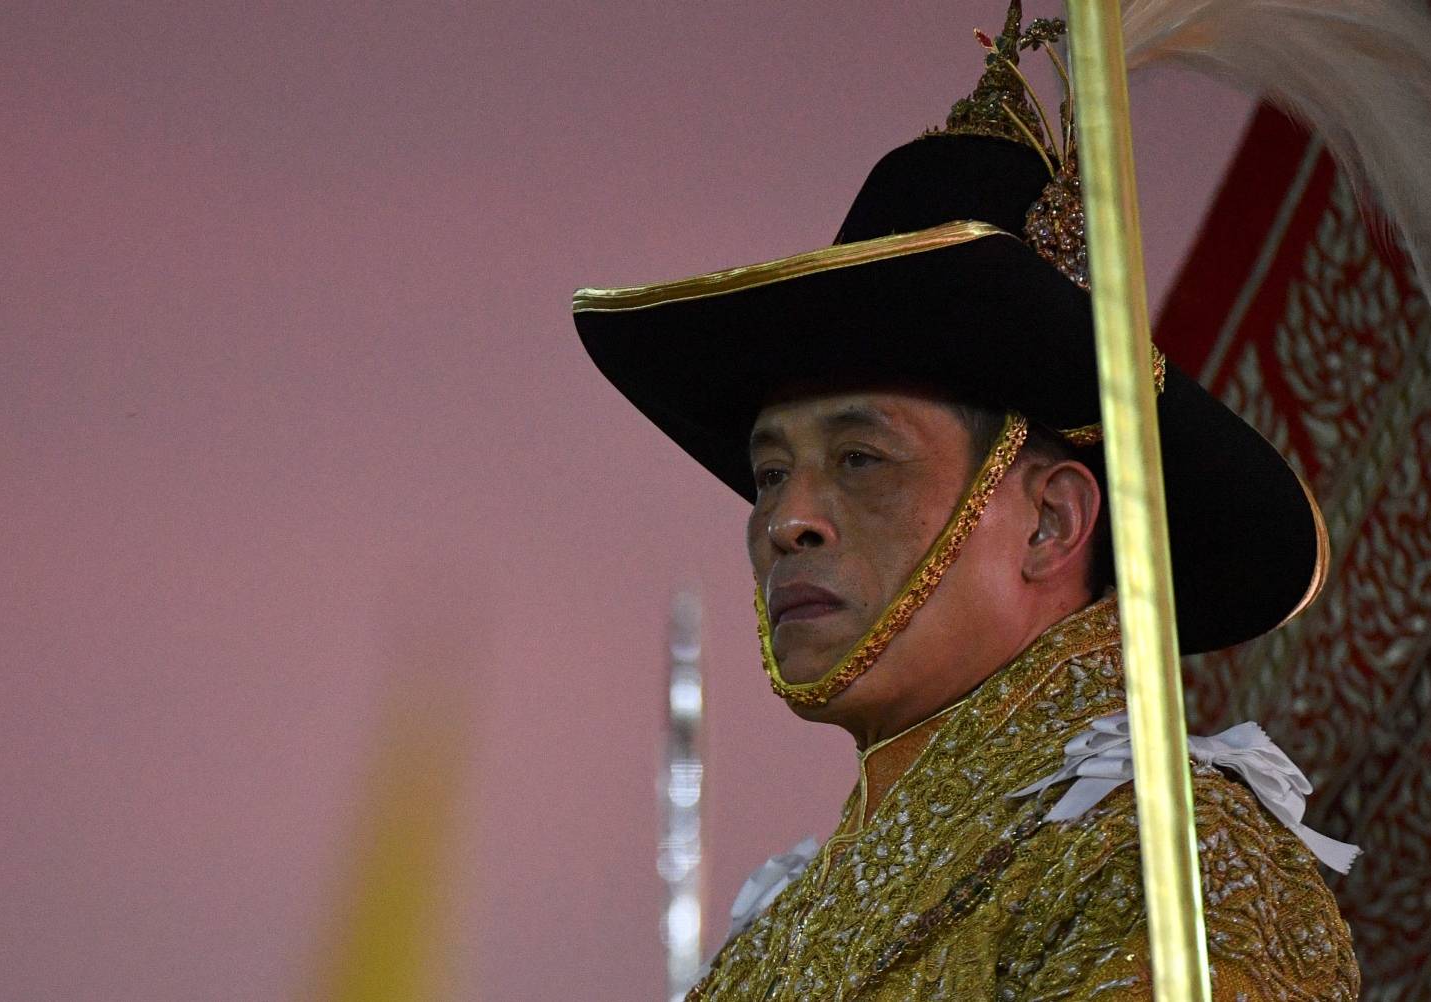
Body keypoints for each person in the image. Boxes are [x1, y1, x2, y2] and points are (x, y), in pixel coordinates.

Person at [572, 6, 1385, 998]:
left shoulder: (1175, 864)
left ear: (1049, 520)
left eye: (862, 459)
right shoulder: (771, 946)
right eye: (772, 470)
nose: (787, 521)